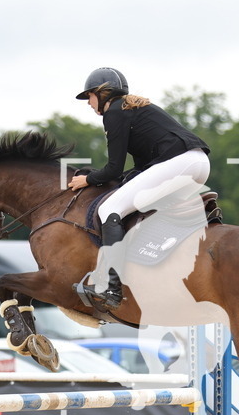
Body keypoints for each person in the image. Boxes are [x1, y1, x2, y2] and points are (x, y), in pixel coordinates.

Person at [68, 67, 210, 310]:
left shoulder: (114, 112)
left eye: (90, 96)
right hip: (196, 163)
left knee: (109, 210)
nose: (89, 103)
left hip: (180, 164)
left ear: (103, 93)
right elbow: (135, 171)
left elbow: (113, 169)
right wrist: (99, 176)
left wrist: (88, 180)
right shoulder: (130, 110)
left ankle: (112, 288)